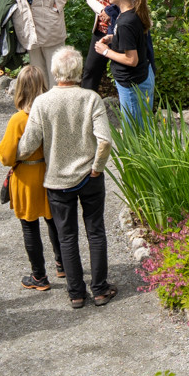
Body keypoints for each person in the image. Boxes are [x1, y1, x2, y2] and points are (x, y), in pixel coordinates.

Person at [16, 48, 115, 308]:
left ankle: (76, 293)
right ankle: (101, 289)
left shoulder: (42, 102)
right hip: (90, 177)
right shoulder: (91, 98)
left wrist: (12, 154)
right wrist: (96, 167)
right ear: (79, 71)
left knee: (66, 236)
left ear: (55, 71)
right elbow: (104, 140)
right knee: (95, 232)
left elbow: (27, 146)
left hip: (57, 179)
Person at [0, 65, 63, 291]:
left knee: (30, 226)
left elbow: (6, 156)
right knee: (54, 221)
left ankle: (39, 276)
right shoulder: (52, 111)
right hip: (51, 173)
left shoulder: (18, 119)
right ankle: (62, 264)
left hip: (26, 177)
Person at [93, 0, 155, 127]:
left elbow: (131, 60)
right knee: (142, 130)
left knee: (135, 134)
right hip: (139, 78)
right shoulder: (130, 13)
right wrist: (114, 38)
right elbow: (133, 39)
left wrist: (106, 51)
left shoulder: (126, 22)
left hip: (133, 84)